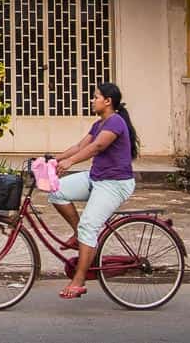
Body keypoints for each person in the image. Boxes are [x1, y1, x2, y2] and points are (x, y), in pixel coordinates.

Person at [48, 82, 139, 300]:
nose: (92, 100)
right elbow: (80, 146)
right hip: (96, 178)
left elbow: (96, 147)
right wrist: (53, 159)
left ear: (107, 101)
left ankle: (78, 281)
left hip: (115, 184)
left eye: (95, 97)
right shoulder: (99, 124)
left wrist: (69, 163)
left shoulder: (115, 122)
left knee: (90, 225)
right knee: (56, 190)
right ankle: (80, 234)